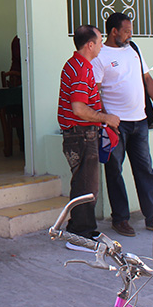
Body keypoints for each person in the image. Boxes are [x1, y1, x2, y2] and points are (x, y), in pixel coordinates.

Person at [91, 12, 153, 237]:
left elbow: (147, 79)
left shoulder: (134, 50)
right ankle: (120, 218)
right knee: (115, 171)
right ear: (114, 31)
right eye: (127, 30)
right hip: (116, 124)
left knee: (145, 169)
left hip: (139, 122)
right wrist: (105, 118)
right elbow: (96, 90)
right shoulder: (101, 56)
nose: (130, 34)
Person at [57, 25, 120, 250]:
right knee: (86, 186)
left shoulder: (76, 65)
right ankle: (79, 235)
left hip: (80, 134)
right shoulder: (82, 68)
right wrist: (106, 118)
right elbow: (79, 108)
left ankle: (82, 228)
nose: (102, 45)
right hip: (81, 134)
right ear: (90, 44)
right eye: (100, 41)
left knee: (84, 184)